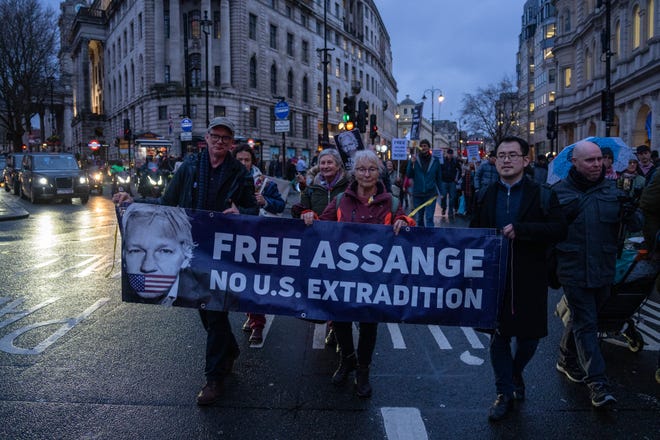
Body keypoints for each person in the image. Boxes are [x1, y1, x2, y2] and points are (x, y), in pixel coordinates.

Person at [113, 116, 258, 406]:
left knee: (215, 309)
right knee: (204, 309)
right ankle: (228, 349)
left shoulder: (239, 174)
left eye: (225, 138)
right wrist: (134, 203)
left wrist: (240, 210)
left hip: (222, 250)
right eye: (215, 137)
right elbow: (167, 203)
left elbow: (252, 209)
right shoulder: (189, 167)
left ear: (231, 143)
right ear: (206, 139)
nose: (220, 142)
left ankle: (214, 379)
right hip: (193, 249)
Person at [301, 150, 415, 398]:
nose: (366, 174)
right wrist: (310, 216)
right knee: (340, 319)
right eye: (361, 169)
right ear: (354, 172)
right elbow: (322, 223)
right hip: (343, 275)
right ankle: (347, 359)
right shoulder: (342, 199)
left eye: (371, 169)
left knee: (368, 325)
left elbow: (406, 225)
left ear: (379, 172)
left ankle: (363, 369)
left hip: (374, 280)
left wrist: (405, 221)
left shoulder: (391, 202)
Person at [471, 136, 567, 421]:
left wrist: (524, 229)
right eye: (501, 155)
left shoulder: (543, 194)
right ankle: (504, 392)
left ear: (526, 160)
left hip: (530, 274)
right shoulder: (486, 194)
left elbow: (559, 229)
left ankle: (514, 373)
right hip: (495, 275)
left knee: (529, 337)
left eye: (513, 155)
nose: (506, 160)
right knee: (499, 335)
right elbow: (476, 231)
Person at [553, 140, 640, 408]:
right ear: (575, 163)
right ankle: (598, 384)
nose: (597, 164)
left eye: (599, 159)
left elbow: (636, 225)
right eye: (590, 160)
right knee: (587, 322)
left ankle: (565, 357)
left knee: (584, 319)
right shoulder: (557, 193)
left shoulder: (613, 191)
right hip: (573, 268)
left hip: (603, 269)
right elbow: (546, 230)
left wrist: (631, 210)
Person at [234, 144, 285, 344]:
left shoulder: (265, 184)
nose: (244, 163)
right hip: (236, 236)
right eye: (239, 160)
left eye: (247, 160)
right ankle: (251, 314)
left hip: (259, 238)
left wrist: (265, 201)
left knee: (254, 281)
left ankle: (258, 324)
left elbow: (280, 205)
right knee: (241, 280)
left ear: (252, 162)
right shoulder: (228, 180)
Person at [121, 203, 212, 309]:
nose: (147, 267)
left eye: (164, 251)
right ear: (123, 254)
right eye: (136, 251)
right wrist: (132, 201)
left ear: (185, 255)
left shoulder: (213, 298)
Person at [406, 139, 442, 227]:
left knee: (429, 218)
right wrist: (411, 164)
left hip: (431, 194)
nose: (423, 147)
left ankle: (430, 238)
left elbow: (439, 177)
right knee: (419, 218)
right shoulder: (415, 160)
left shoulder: (435, 161)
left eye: (425, 146)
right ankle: (421, 237)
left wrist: (442, 192)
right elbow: (409, 174)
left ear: (429, 148)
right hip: (418, 194)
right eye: (422, 146)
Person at [439, 148, 461, 218]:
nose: (450, 155)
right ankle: (444, 208)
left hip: (452, 181)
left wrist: (457, 178)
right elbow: (439, 169)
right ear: (447, 154)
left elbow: (459, 169)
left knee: (452, 197)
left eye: (451, 154)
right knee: (443, 197)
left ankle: (450, 211)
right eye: (449, 154)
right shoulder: (442, 160)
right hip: (444, 181)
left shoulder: (455, 161)